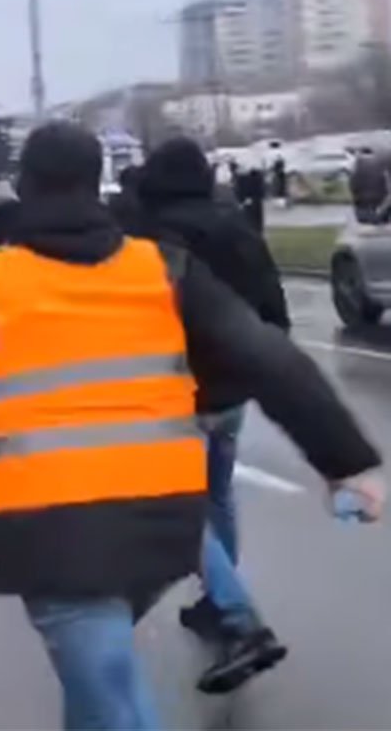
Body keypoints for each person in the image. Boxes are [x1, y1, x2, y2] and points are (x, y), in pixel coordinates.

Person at [0, 122, 384, 731]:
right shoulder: (164, 269)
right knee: (96, 684)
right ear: (98, 184)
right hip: (165, 525)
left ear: (25, 186)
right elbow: (271, 357)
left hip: (53, 529)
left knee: (108, 691)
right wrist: (344, 465)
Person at [128, 137, 292, 692]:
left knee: (176, 507)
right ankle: (218, 602)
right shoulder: (237, 224)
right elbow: (274, 307)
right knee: (217, 495)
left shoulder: (153, 235)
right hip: (233, 389)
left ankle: (239, 614)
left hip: (179, 390)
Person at [350, 147, 389, 225]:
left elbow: (353, 185)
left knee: (365, 219)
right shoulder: (381, 164)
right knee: (381, 217)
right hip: (380, 200)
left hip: (362, 201)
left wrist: (355, 196)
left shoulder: (357, 165)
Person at [235, 166, 267, 232]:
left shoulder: (242, 178)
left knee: (249, 217)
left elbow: (240, 191)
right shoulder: (257, 177)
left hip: (249, 199)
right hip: (253, 199)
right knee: (255, 219)